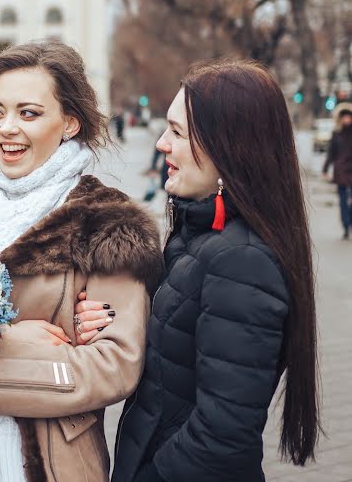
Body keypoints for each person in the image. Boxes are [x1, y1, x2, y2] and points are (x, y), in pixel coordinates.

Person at [0, 41, 163, 482]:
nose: (7, 129)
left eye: (29, 113)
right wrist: (8, 341)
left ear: (70, 122)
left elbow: (113, 367)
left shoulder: (108, 224)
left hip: (54, 463)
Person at [96, 60, 320, 481]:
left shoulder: (242, 260)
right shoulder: (200, 236)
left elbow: (223, 437)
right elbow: (178, 351)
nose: (162, 144)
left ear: (229, 147)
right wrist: (109, 320)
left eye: (178, 132)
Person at [323, 103, 352, 239]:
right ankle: (346, 226)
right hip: (341, 171)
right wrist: (325, 169)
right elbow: (331, 153)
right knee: (342, 201)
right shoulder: (336, 134)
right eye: (344, 117)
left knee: (350, 201)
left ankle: (349, 222)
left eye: (349, 117)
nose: (347, 119)